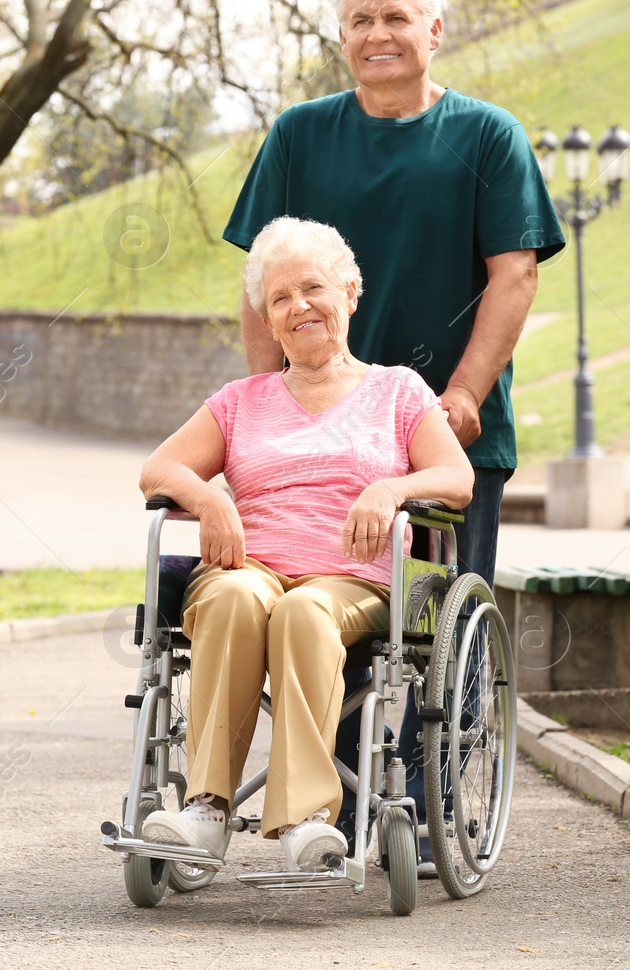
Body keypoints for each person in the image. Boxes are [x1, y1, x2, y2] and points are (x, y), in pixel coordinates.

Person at [223, 0, 566, 859]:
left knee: (426, 640)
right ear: (343, 37)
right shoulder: (300, 136)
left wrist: (463, 393)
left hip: (440, 440)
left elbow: (515, 273)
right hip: (312, 448)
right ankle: (324, 812)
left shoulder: (487, 136)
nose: (380, 35)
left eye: (398, 19)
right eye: (363, 21)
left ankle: (416, 806)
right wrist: (266, 405)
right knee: (309, 607)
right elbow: (260, 284)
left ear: (434, 32)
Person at [137, 216, 474, 872]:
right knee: (233, 596)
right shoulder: (241, 402)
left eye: (312, 288)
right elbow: (158, 468)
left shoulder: (397, 390)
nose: (298, 307)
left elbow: (456, 478)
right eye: (280, 299)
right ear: (268, 320)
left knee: (304, 610)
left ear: (350, 291)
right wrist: (208, 499)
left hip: (350, 580)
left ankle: (306, 819)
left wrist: (390, 490)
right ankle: (206, 810)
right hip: (250, 566)